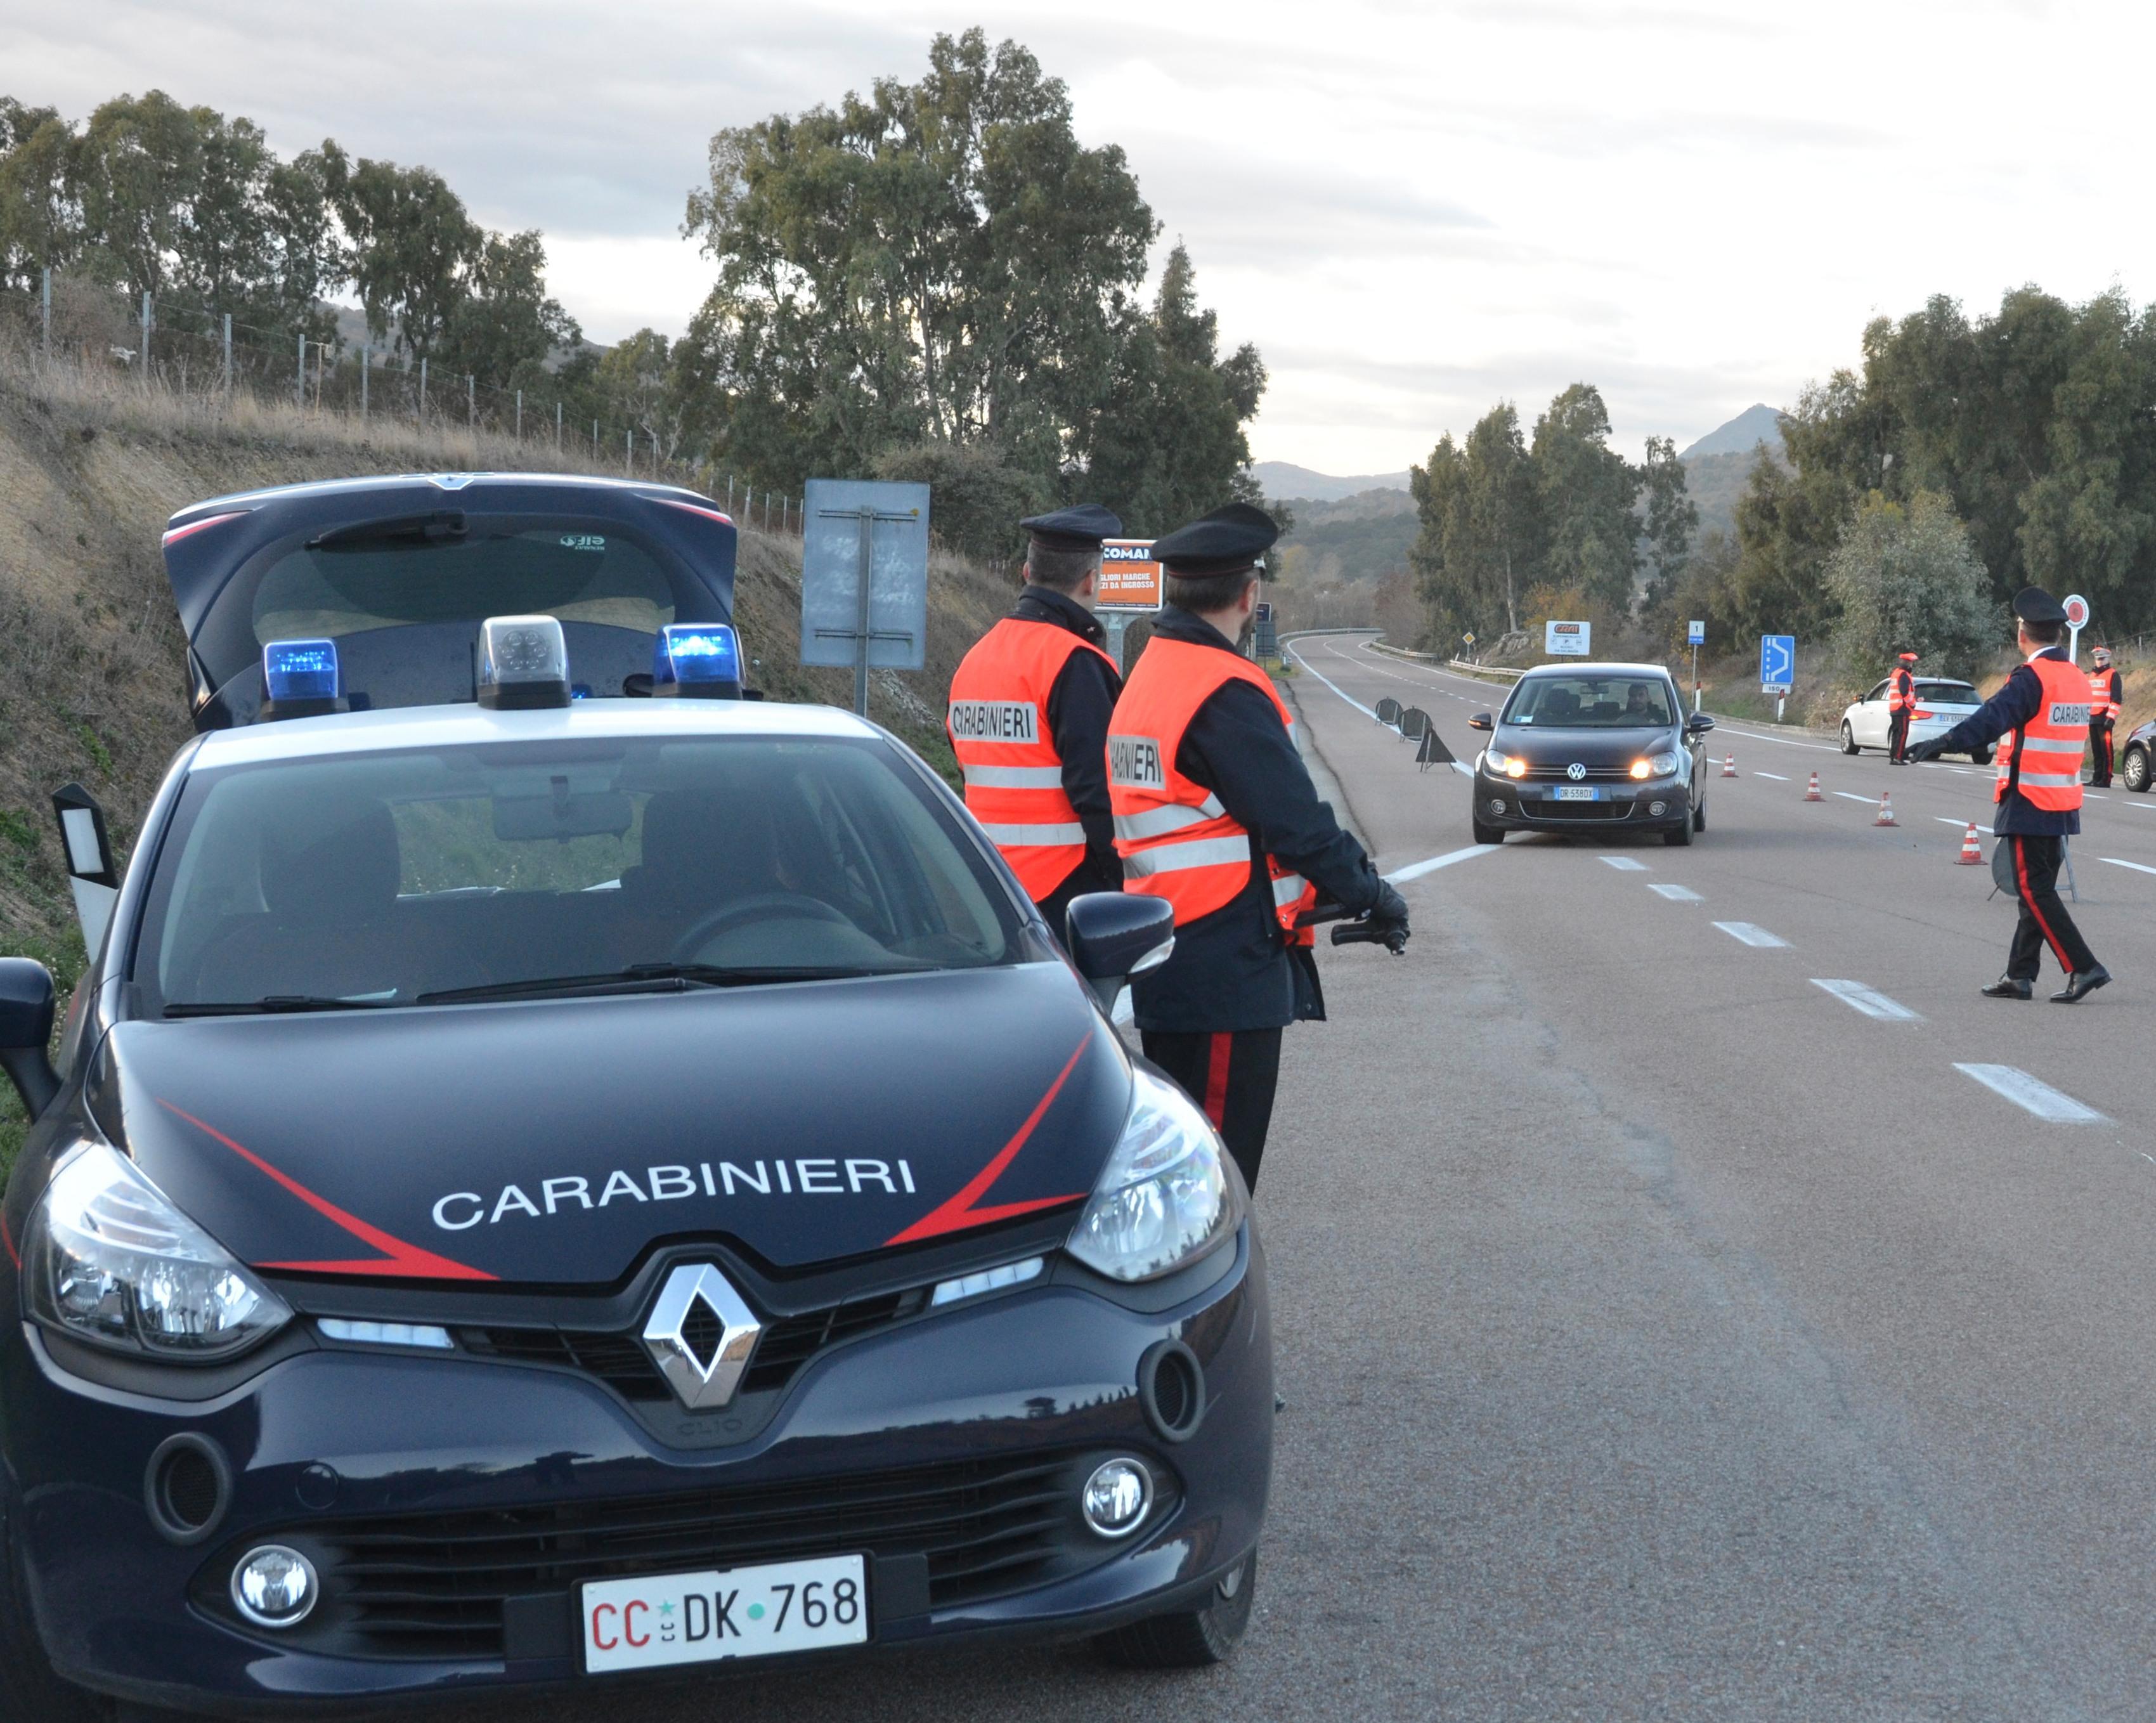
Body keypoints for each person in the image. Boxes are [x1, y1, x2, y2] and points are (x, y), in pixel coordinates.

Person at [1107, 502, 1410, 1190]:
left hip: (1163, 949)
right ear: (1250, 595)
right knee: (1214, 1180)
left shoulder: (1149, 675)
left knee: (1176, 1163)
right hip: (1222, 965)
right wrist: (1373, 893)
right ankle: (1208, 1299)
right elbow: (1296, 824)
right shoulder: (1223, 688)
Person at [1906, 588, 2110, 1002]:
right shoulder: (2077, 678)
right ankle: (2020, 975)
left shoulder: (2031, 678)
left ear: (2023, 633)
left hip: (2029, 798)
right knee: (2037, 889)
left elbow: (1990, 719)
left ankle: (2083, 966)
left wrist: (1941, 742)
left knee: (2031, 888)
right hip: (2063, 799)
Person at [947, 504, 1126, 937]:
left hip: (987, 890)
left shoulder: (975, 659)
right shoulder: (1076, 663)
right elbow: (1099, 795)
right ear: (1090, 581)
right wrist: (1126, 886)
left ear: (1027, 572)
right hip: (1064, 895)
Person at [2088, 646, 2122, 786]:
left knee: (2106, 750)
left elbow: (2116, 699)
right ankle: (2096, 778)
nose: (2099, 662)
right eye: (2097, 659)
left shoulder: (2113, 674)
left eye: (2102, 659)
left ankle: (2106, 779)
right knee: (2096, 750)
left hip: (2104, 718)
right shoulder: (2092, 676)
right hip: (2092, 717)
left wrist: (2111, 718)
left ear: (2108, 659)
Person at [1886, 651, 1918, 764]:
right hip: (1902, 708)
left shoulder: (1896, 673)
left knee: (1896, 733)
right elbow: (1905, 692)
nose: (1912, 666)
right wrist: (1913, 703)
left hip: (1895, 708)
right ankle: (1898, 757)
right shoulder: (1904, 675)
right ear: (1908, 664)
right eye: (1911, 663)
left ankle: (1893, 757)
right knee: (1902, 733)